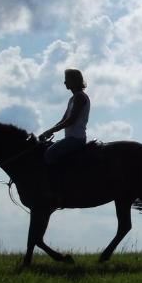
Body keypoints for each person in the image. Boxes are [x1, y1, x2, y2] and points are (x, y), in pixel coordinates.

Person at [39, 68, 90, 205]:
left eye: (67, 79)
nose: (64, 82)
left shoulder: (80, 97)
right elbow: (63, 120)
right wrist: (49, 131)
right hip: (70, 138)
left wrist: (51, 131)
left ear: (74, 81)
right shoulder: (73, 98)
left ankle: (55, 189)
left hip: (76, 139)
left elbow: (71, 120)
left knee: (49, 155)